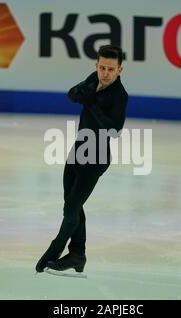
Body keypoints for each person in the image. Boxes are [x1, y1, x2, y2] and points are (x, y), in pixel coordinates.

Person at [35, 45, 128, 275]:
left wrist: (91, 101)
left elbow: (113, 130)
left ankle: (54, 251)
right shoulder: (93, 78)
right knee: (73, 205)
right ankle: (77, 254)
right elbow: (72, 94)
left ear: (120, 70)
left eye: (111, 69)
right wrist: (86, 94)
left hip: (97, 157)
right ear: (97, 66)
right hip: (78, 150)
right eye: (102, 67)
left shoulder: (119, 96)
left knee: (72, 207)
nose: (105, 73)